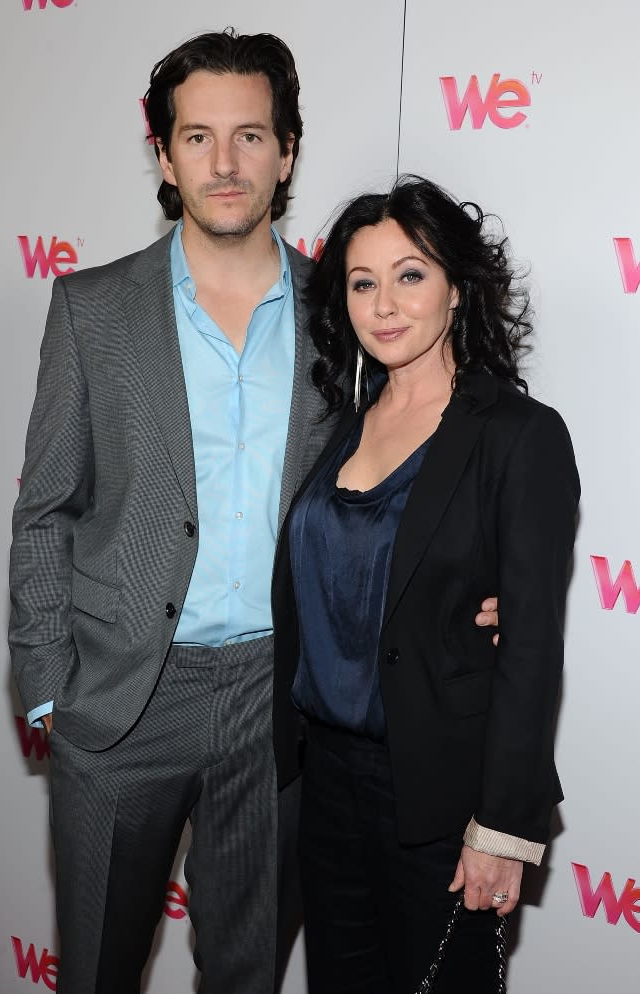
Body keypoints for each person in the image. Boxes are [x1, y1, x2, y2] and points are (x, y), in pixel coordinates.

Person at [8, 27, 499, 993]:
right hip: (118, 700)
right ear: (164, 153)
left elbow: (410, 470)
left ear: (287, 151)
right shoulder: (90, 311)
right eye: (197, 137)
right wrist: (45, 680)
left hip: (281, 701)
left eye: (250, 135)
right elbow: (44, 509)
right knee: (96, 971)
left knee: (250, 974)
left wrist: (477, 586)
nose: (224, 162)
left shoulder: (346, 310)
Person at [271, 176, 579, 994]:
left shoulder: (518, 435)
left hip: (443, 798)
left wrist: (503, 829)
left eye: (410, 275)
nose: (384, 303)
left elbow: (533, 650)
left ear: (457, 288)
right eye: (362, 282)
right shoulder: (338, 422)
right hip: (325, 785)